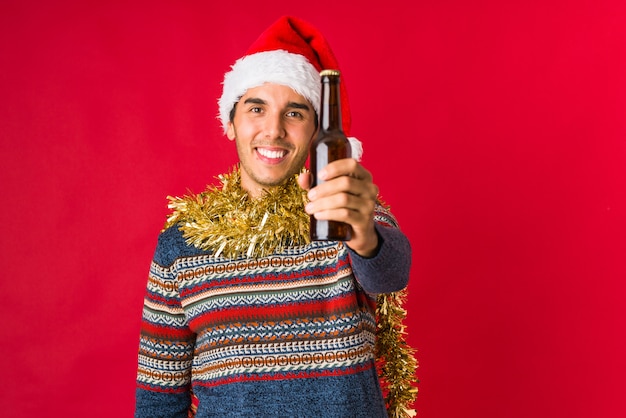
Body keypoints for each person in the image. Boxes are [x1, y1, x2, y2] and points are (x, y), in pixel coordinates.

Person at [135, 15, 413, 418]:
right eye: (256, 108)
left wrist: (363, 232)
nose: (274, 130)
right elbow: (158, 400)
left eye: (295, 113)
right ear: (230, 123)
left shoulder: (344, 213)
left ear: (318, 130)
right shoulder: (181, 244)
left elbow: (390, 273)